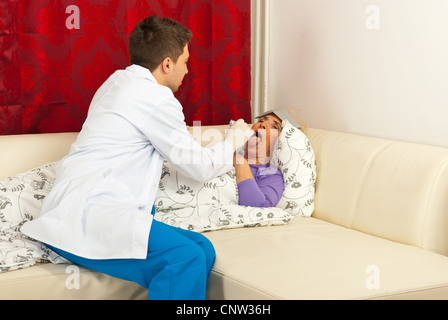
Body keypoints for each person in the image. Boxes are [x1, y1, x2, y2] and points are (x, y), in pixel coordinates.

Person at [21, 15, 253, 300]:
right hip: (89, 219)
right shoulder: (156, 98)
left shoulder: (115, 82)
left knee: (203, 248)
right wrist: (233, 141)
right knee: (185, 258)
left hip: (68, 211)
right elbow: (200, 167)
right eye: (185, 61)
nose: (188, 69)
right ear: (167, 64)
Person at [234, 112, 285, 208]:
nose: (263, 124)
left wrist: (239, 161)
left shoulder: (270, 174)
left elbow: (259, 208)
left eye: (275, 127)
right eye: (261, 120)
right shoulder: (223, 153)